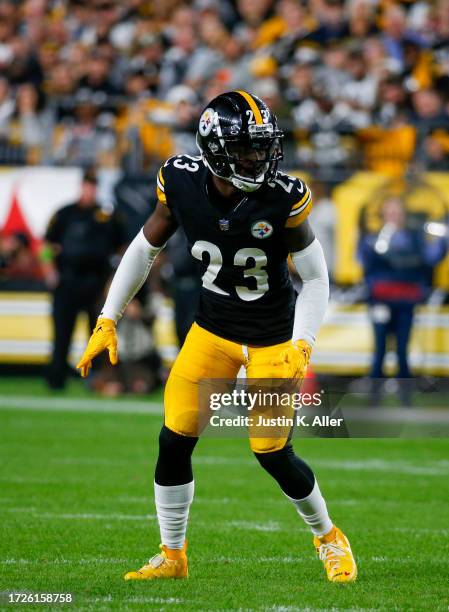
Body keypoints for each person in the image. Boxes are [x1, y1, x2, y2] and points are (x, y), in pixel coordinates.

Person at [77, 92, 357, 583]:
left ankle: (329, 537)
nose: (260, 157)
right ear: (216, 149)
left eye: (264, 146)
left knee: (271, 452)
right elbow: (145, 249)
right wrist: (108, 317)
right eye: (248, 149)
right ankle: (172, 555)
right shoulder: (181, 181)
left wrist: (304, 342)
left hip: (273, 339)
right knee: (173, 440)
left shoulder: (283, 195)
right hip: (211, 333)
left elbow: (315, 278)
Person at [358, 196, 448, 405]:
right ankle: (374, 398)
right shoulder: (374, 238)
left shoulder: (414, 239)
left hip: (405, 300)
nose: (393, 216)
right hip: (380, 300)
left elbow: (431, 257)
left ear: (403, 215)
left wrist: (444, 240)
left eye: (397, 212)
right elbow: (366, 262)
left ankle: (405, 398)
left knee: (402, 349)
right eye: (389, 212)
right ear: (383, 214)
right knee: (379, 349)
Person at [44, 168, 127, 389]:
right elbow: (46, 247)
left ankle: (97, 380)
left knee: (97, 333)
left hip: (96, 283)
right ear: (81, 186)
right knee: (62, 334)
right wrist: (49, 271)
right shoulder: (64, 214)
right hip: (67, 282)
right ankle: (56, 379)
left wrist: (113, 280)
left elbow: (122, 248)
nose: (90, 190)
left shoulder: (107, 216)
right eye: (87, 185)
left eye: (94, 185)